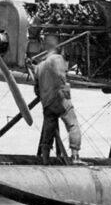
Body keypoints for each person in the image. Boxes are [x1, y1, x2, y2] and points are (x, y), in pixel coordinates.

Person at [32, 35, 83, 164]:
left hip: (47, 104)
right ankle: (75, 157)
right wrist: (67, 95)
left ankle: (45, 159)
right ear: (57, 47)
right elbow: (62, 77)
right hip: (60, 100)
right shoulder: (57, 59)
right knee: (73, 125)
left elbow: (36, 90)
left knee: (48, 131)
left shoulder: (39, 66)